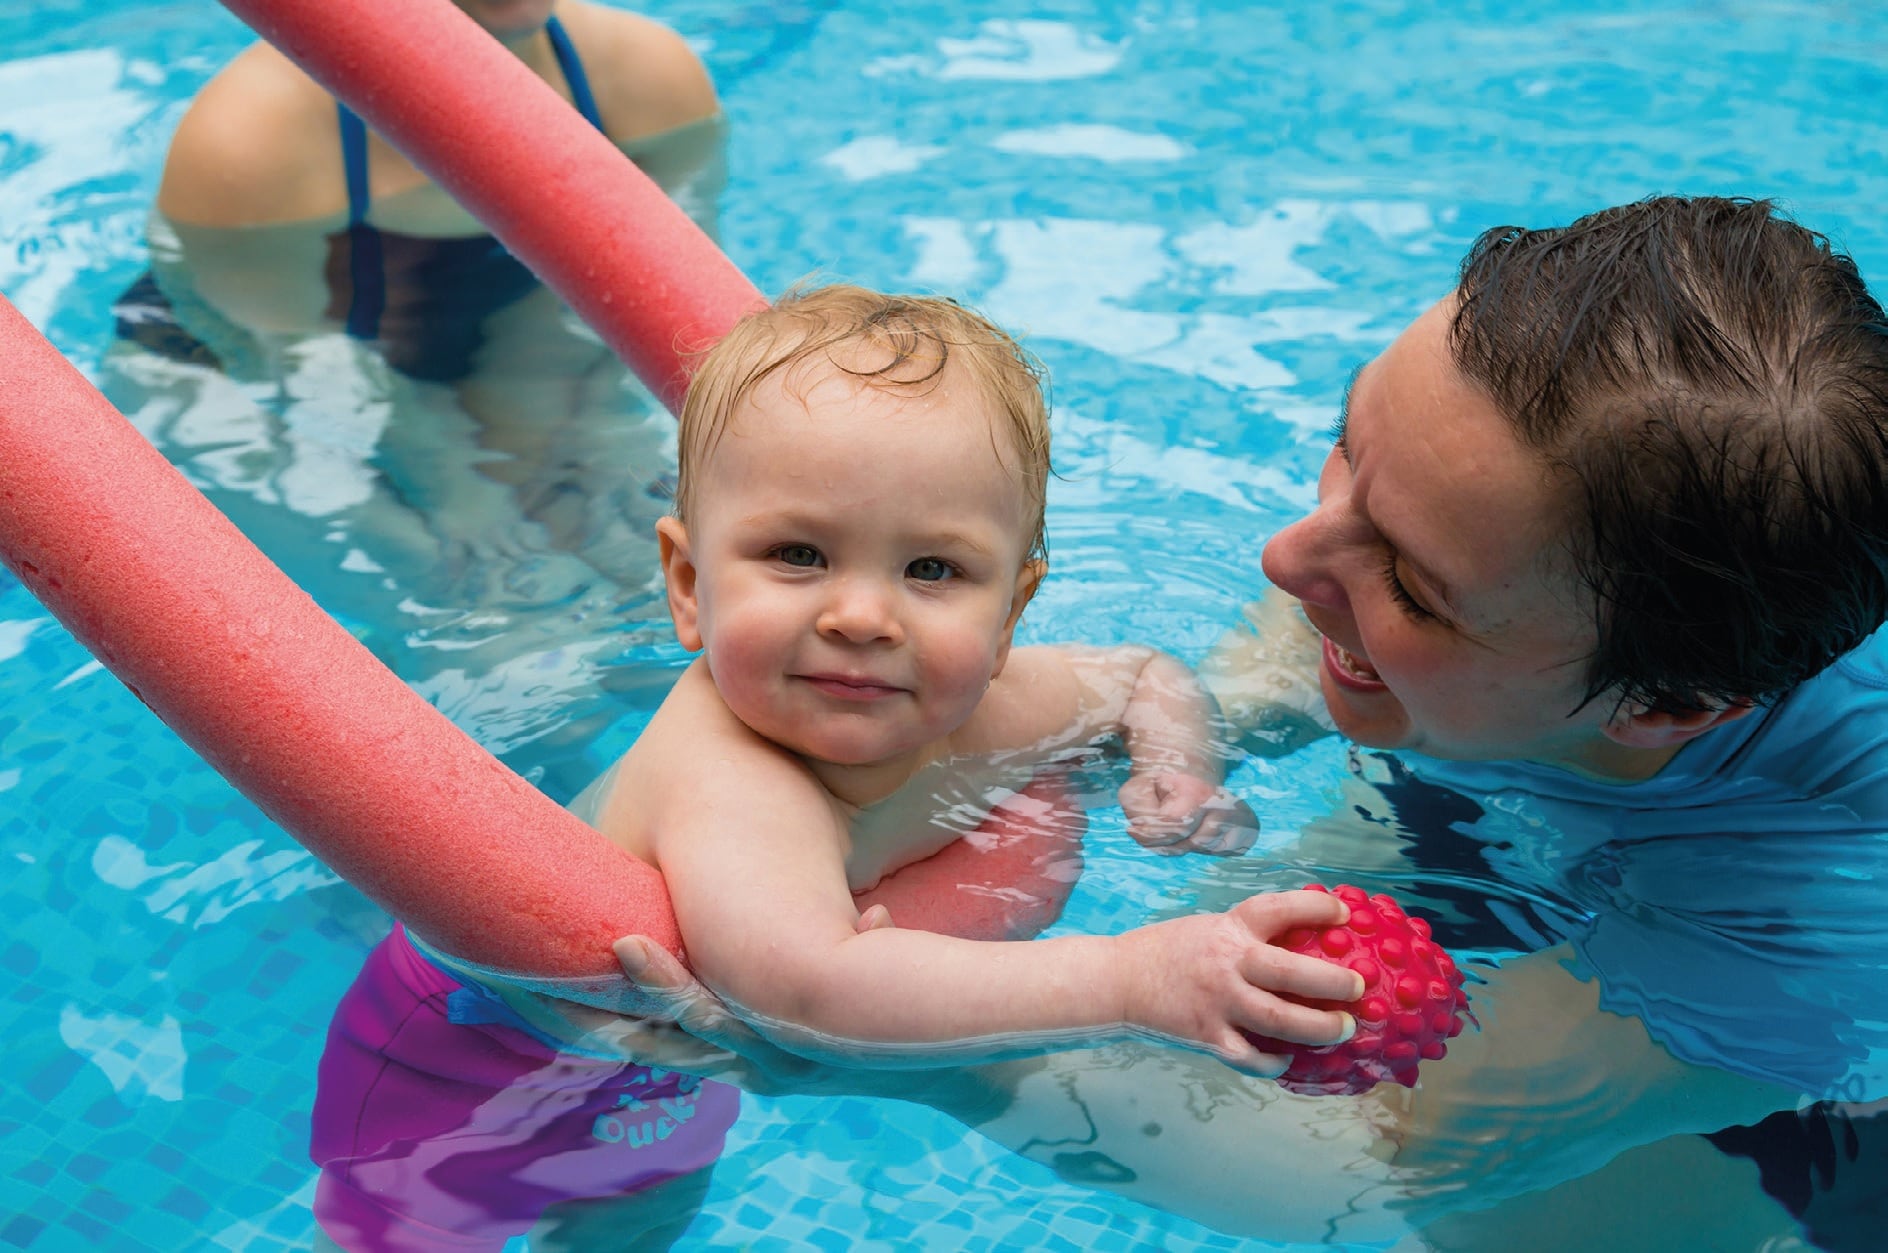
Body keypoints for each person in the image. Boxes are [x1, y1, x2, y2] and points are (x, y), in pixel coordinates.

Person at [581, 197, 1888, 1247]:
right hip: (1528, 762)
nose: (1283, 554)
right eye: (1347, 450)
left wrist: (875, 1045)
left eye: (1413, 580)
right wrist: (1185, 735)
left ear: (1668, 704)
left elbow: (1373, 1173)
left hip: (1797, 1122)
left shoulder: (1809, 909)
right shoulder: (1505, 480)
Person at [310, 284, 1368, 1250]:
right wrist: (1136, 979)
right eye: (797, 554)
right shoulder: (734, 771)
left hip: (662, 1070)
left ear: (1011, 612)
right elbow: (816, 987)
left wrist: (1175, 768)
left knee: (642, 1216)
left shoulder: (1006, 697)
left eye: (933, 569)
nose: (861, 615)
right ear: (686, 582)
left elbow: (1143, 672)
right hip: (465, 1074)